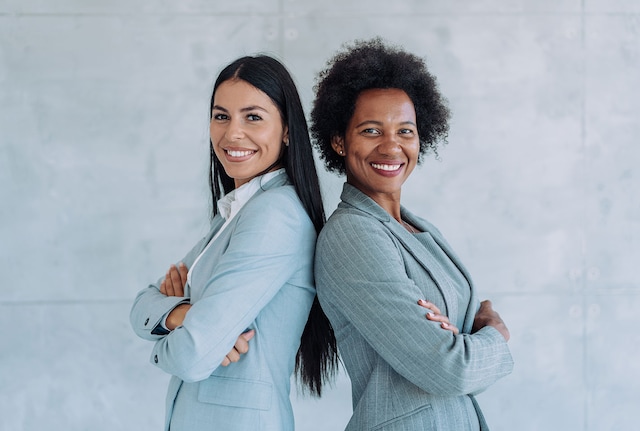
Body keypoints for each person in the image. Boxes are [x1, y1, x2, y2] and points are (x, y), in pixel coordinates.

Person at [310, 38, 514, 431]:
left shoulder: (415, 227)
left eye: (405, 130)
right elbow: (450, 369)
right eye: (371, 130)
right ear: (339, 140)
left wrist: (464, 345)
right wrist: (494, 335)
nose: (392, 146)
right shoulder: (352, 236)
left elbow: (457, 359)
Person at [130, 55, 338, 431]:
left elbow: (193, 355)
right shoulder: (237, 212)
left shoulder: (275, 215)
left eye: (253, 117)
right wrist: (186, 315)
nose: (231, 134)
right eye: (221, 115)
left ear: (287, 130)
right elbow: (143, 304)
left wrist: (177, 333)